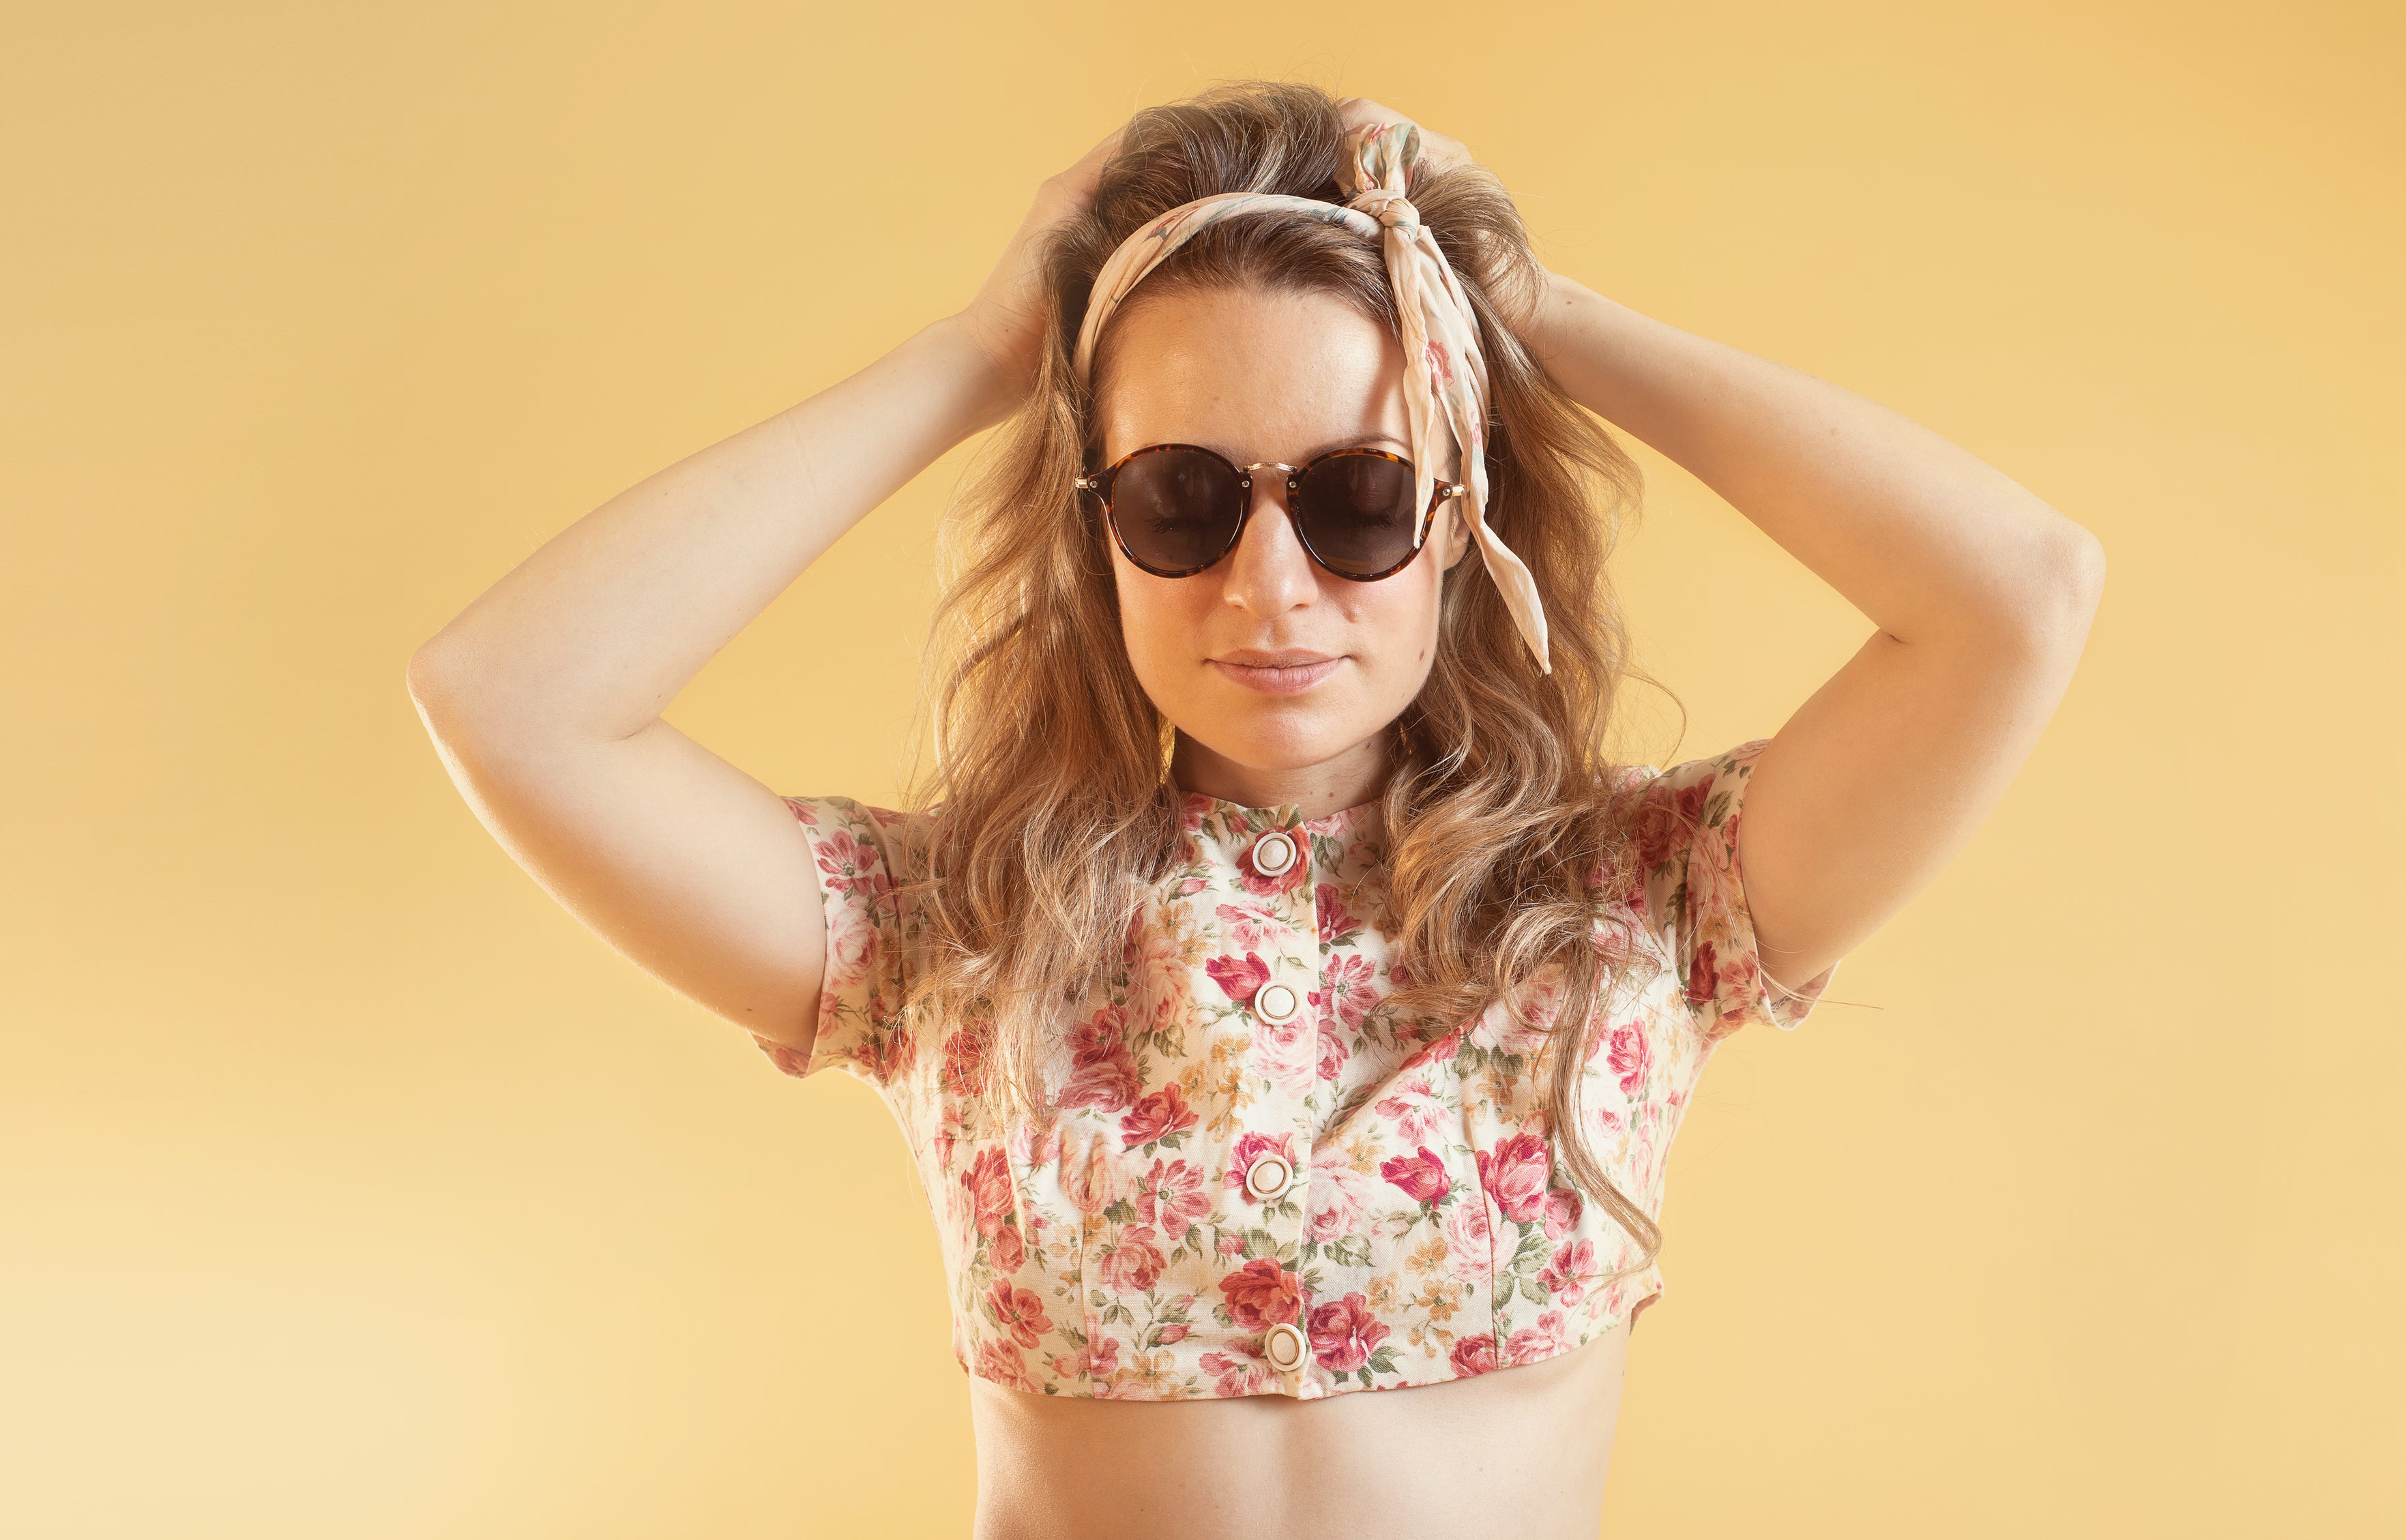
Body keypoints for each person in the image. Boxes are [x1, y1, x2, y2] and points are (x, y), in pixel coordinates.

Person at [408, 80, 2104, 1540]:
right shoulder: (954, 930)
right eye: (1182, 497)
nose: (1270, 584)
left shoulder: (1640, 901)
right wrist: (980, 355)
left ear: (1459, 520)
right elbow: (510, 696)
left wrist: (1538, 315)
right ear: (1099, 530)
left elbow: (2019, 593)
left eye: (1361, 496)